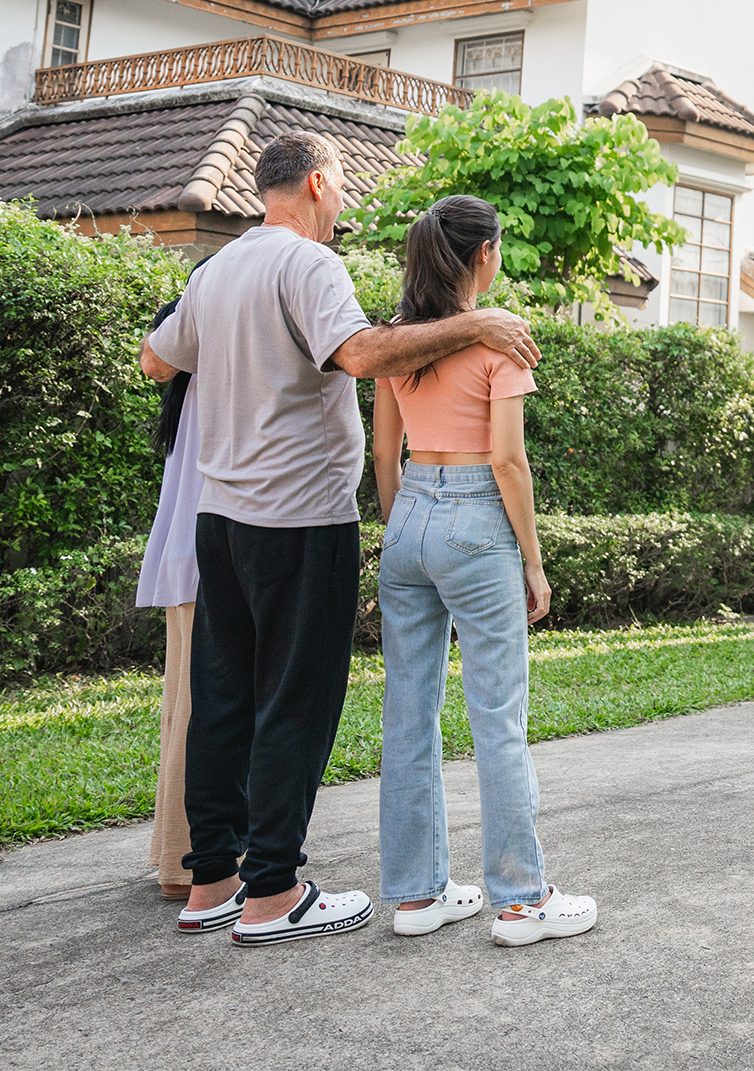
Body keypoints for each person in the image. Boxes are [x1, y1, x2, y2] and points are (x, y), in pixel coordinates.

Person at [140, 132, 539, 945]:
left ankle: (210, 880)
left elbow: (155, 360)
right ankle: (274, 893)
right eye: (345, 184)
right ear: (318, 182)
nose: (346, 200)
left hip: (218, 516)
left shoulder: (217, 267)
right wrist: (479, 324)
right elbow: (362, 353)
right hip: (297, 517)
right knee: (296, 698)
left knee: (222, 698)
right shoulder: (308, 263)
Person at [373, 194, 596, 947]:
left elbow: (383, 457)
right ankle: (520, 901)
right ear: (484, 255)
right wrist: (533, 561)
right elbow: (508, 460)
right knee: (497, 715)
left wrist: (409, 526)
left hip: (408, 516)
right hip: (476, 517)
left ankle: (414, 896)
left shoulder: (397, 339)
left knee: (409, 713)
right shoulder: (500, 341)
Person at [135, 295, 204, 904]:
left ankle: (175, 856)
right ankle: (189, 862)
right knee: (204, 707)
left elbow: (151, 358)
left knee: (184, 704)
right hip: (212, 560)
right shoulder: (214, 386)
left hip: (189, 560)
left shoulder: (186, 394)